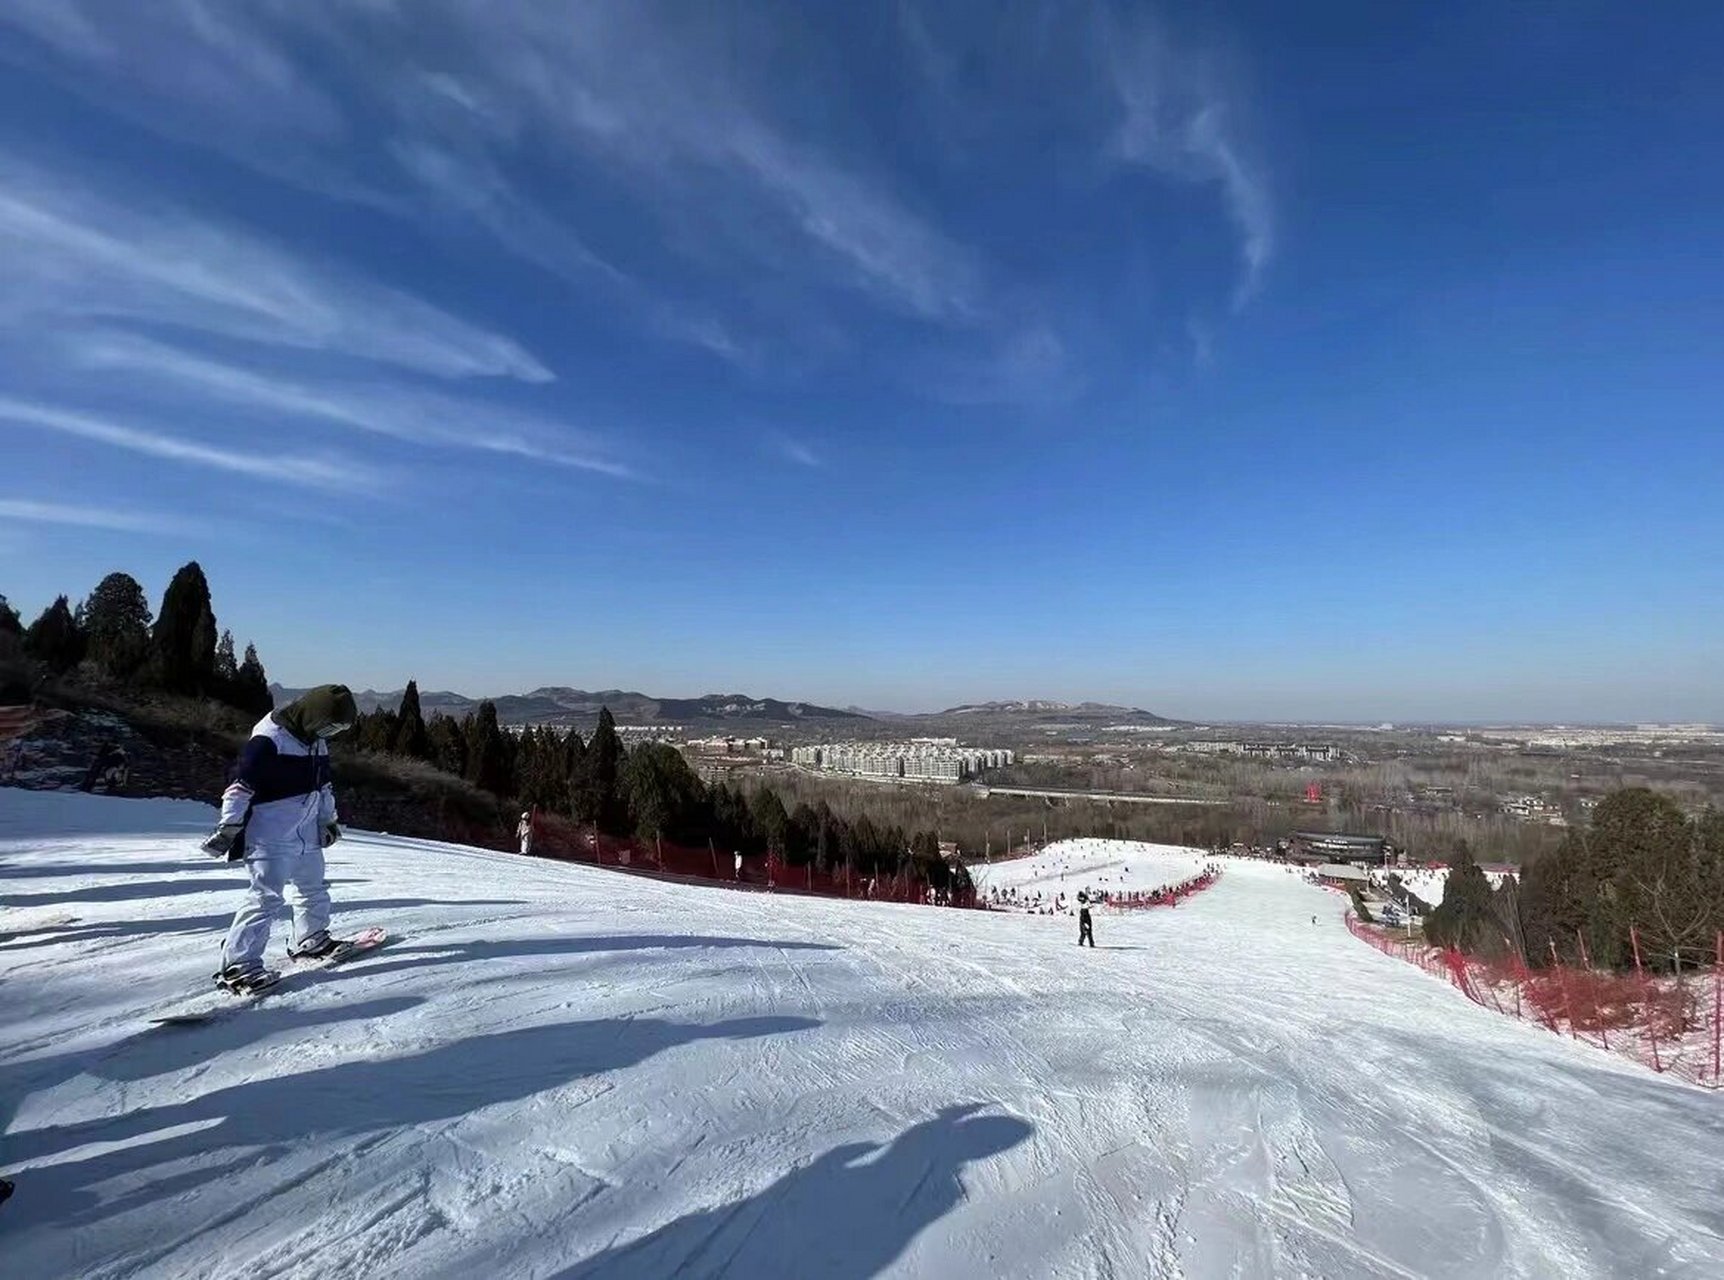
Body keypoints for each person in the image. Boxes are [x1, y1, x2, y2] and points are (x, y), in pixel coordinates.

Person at [200, 684, 358, 993]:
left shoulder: (315, 739)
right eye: (329, 725)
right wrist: (229, 827)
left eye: (338, 729)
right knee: (265, 897)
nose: (331, 733)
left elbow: (323, 786)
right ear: (312, 715)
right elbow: (239, 788)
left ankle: (312, 939)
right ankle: (239, 965)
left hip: (305, 831)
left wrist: (328, 820)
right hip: (269, 835)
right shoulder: (268, 741)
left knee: (313, 887)